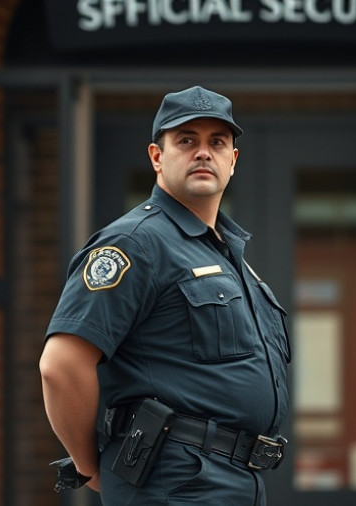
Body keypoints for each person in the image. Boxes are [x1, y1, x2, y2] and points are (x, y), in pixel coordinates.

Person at [39, 85, 291, 505]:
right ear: (157, 157)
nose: (203, 152)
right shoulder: (135, 243)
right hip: (175, 483)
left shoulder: (229, 254)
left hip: (235, 480)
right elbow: (61, 366)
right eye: (186, 140)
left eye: (217, 142)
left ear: (233, 160)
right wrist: (90, 468)